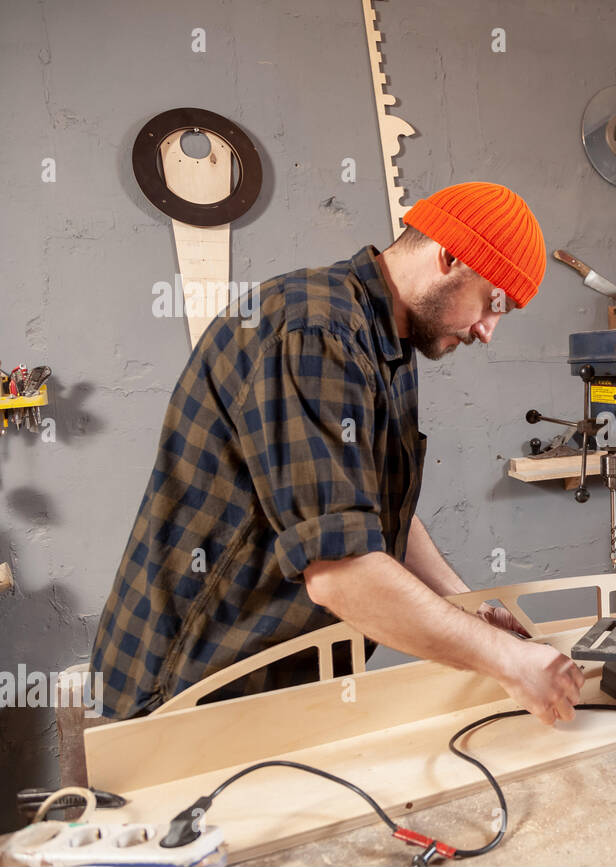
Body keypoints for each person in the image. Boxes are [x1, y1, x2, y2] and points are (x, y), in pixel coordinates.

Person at [91, 182, 584, 725]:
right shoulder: (316, 332)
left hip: (273, 692)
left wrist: (469, 604)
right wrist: (511, 663)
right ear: (450, 257)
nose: (488, 331)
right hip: (184, 692)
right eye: (494, 305)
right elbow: (341, 571)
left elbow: (364, 509)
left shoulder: (385, 342)